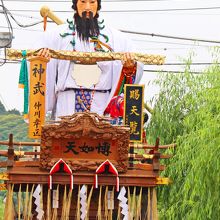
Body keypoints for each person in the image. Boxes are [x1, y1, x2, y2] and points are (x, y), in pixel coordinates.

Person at [38, 0, 144, 119]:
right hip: (67, 101)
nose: (87, 8)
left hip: (101, 103)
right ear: (75, 5)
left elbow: (136, 62)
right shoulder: (57, 35)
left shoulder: (117, 38)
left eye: (92, 2)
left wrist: (129, 66)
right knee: (66, 137)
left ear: (98, 6)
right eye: (83, 2)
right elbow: (36, 59)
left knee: (101, 136)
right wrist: (41, 59)